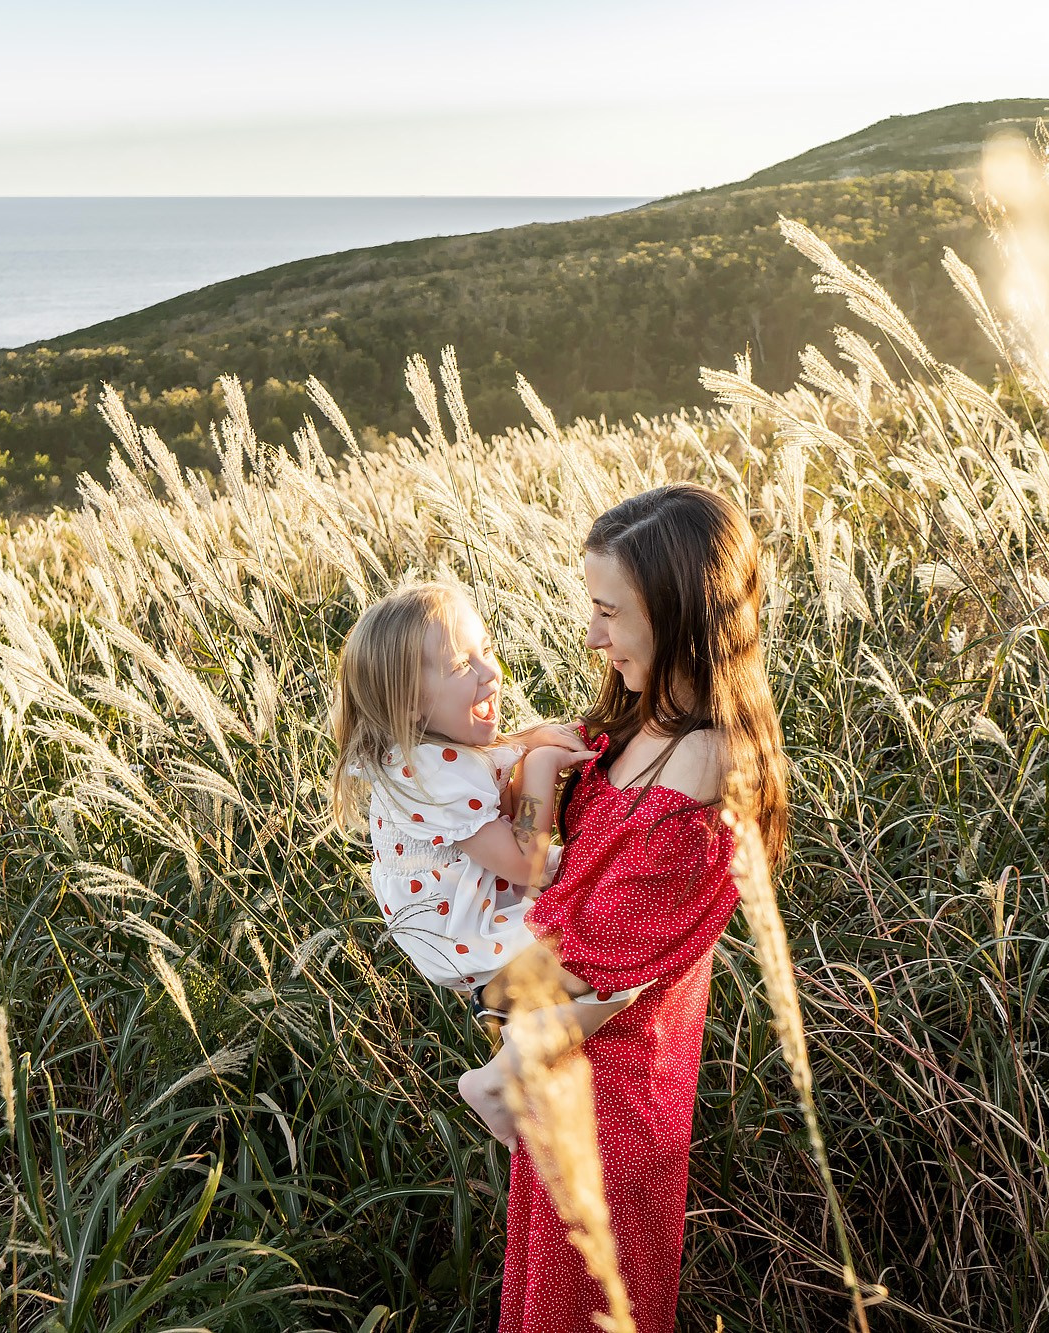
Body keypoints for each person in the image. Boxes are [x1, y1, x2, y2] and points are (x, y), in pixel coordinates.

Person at [485, 483, 789, 1333]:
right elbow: (534, 868)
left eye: (610, 612)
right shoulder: (630, 725)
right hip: (554, 1083)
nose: (593, 635)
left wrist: (484, 972)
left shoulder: (707, 765)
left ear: (680, 609)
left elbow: (591, 955)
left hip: (612, 1116)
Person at [328, 582, 611, 1045]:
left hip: (484, 893)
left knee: (605, 907)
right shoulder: (430, 777)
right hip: (471, 933)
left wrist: (525, 753)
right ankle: (504, 1057)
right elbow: (526, 866)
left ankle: (519, 1034)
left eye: (486, 650)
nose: (490, 672)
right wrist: (537, 766)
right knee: (611, 950)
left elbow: (512, 832)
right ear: (411, 704)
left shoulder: (440, 748)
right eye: (462, 665)